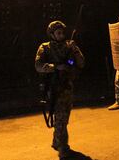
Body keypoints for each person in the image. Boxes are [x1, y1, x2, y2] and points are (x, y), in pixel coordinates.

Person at [35, 21, 85, 159]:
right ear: (52, 34)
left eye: (63, 32)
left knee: (63, 117)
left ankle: (57, 141)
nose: (61, 35)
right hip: (52, 87)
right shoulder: (45, 48)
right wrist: (55, 67)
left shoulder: (69, 46)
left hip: (66, 86)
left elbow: (79, 63)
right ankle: (63, 147)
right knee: (60, 118)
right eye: (58, 33)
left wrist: (73, 52)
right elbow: (38, 65)